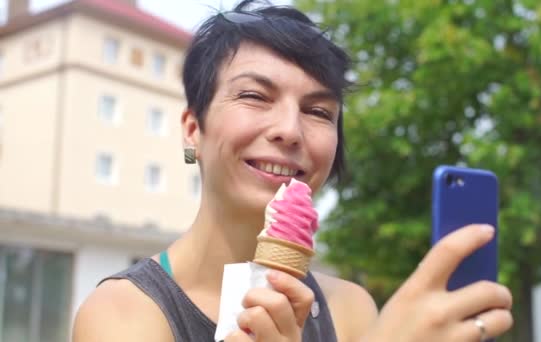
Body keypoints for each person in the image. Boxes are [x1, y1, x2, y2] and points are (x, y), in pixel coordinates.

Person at [72, 1, 513, 341]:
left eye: (318, 111)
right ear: (193, 129)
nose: (289, 130)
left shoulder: (350, 310)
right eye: (255, 96)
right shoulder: (123, 313)